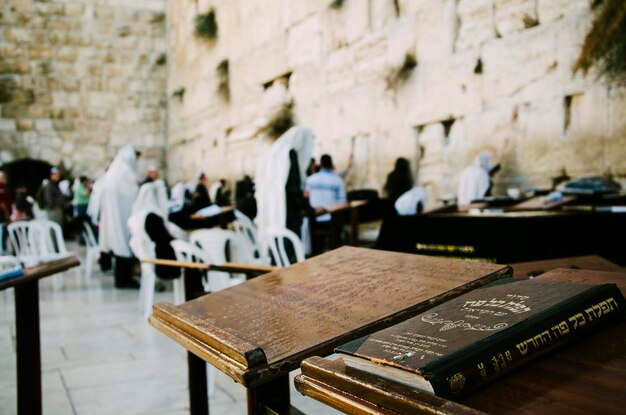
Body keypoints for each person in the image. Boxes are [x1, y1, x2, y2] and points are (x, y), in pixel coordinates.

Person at [89, 145, 140, 288]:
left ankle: (123, 279)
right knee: (123, 245)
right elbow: (132, 194)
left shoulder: (112, 173)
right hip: (122, 217)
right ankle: (124, 280)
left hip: (114, 217)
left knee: (119, 246)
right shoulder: (124, 172)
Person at [255, 125, 314, 242]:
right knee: (291, 244)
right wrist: (303, 201)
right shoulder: (290, 153)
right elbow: (292, 186)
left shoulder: (275, 153)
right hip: (289, 211)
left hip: (276, 209)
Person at [128, 180, 186, 282]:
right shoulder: (152, 217)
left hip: (143, 255)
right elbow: (162, 239)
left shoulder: (138, 215)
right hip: (156, 256)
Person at [305, 154, 347, 222]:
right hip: (332, 220)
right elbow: (343, 203)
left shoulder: (310, 180)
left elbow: (306, 196)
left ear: (321, 164)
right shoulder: (338, 181)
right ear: (331, 164)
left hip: (313, 220)